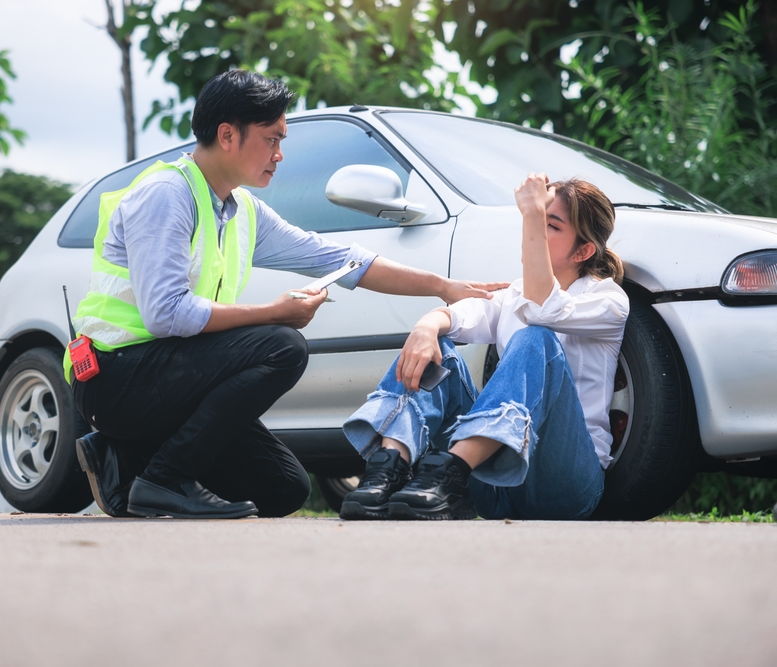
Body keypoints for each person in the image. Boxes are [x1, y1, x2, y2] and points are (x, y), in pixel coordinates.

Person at [67, 70, 503, 520]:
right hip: (114, 378)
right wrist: (273, 313)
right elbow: (165, 315)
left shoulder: (241, 210)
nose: (280, 154)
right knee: (281, 345)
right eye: (272, 139)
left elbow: (341, 258)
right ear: (228, 135)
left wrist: (442, 286)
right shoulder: (166, 195)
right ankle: (162, 480)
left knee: (283, 490)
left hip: (170, 379)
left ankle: (127, 457)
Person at [339, 173, 629, 521]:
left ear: (583, 251)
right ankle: (386, 471)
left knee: (537, 337)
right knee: (438, 347)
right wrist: (427, 325)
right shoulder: (513, 295)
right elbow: (461, 316)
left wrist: (530, 213)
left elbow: (544, 309)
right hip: (492, 487)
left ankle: (450, 469)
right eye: (532, 219)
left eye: (548, 224)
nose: (532, 229)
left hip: (564, 484)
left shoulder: (608, 300)